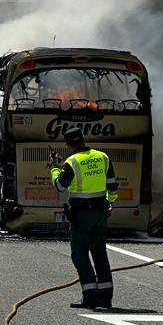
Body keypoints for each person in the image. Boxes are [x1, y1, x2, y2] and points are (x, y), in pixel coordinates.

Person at [49, 125, 118, 310]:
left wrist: (56, 168)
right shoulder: (102, 157)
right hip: (101, 213)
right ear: (82, 138)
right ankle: (106, 297)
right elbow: (112, 186)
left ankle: (90, 297)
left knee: (79, 256)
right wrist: (110, 203)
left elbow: (60, 186)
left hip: (81, 216)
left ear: (68, 144)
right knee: (100, 254)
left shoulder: (72, 162)